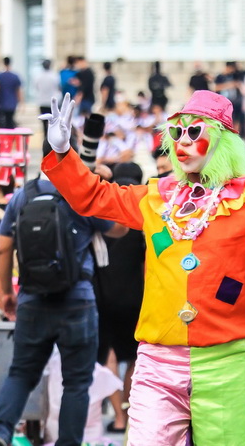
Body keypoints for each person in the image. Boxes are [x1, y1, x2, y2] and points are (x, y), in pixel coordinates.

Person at [39, 91, 245, 445]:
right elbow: (94, 197)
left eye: (194, 133)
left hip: (226, 358)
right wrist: (61, 152)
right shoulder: (157, 196)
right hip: (158, 358)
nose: (183, 142)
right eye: (176, 133)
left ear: (222, 140)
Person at [0, 167, 127, 446]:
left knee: (22, 373)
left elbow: (3, 248)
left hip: (31, 300)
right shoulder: (82, 194)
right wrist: (100, 186)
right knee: (76, 383)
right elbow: (120, 228)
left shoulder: (22, 196)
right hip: (77, 302)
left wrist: (4, 293)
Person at [95, 164, 146, 433]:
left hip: (101, 297)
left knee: (110, 357)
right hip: (134, 298)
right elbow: (146, 267)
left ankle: (117, 417)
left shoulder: (99, 218)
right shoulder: (141, 223)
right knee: (135, 358)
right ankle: (129, 412)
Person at [35, 59, 62, 134]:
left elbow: (36, 87)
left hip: (42, 101)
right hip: (53, 102)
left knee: (44, 122)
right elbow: (59, 87)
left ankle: (45, 137)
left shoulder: (38, 76)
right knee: (54, 123)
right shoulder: (54, 75)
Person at [0, 56, 23, 129]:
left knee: (3, 122)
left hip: (2, 102)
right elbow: (18, 90)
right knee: (10, 120)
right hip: (12, 102)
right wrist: (21, 102)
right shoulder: (15, 76)